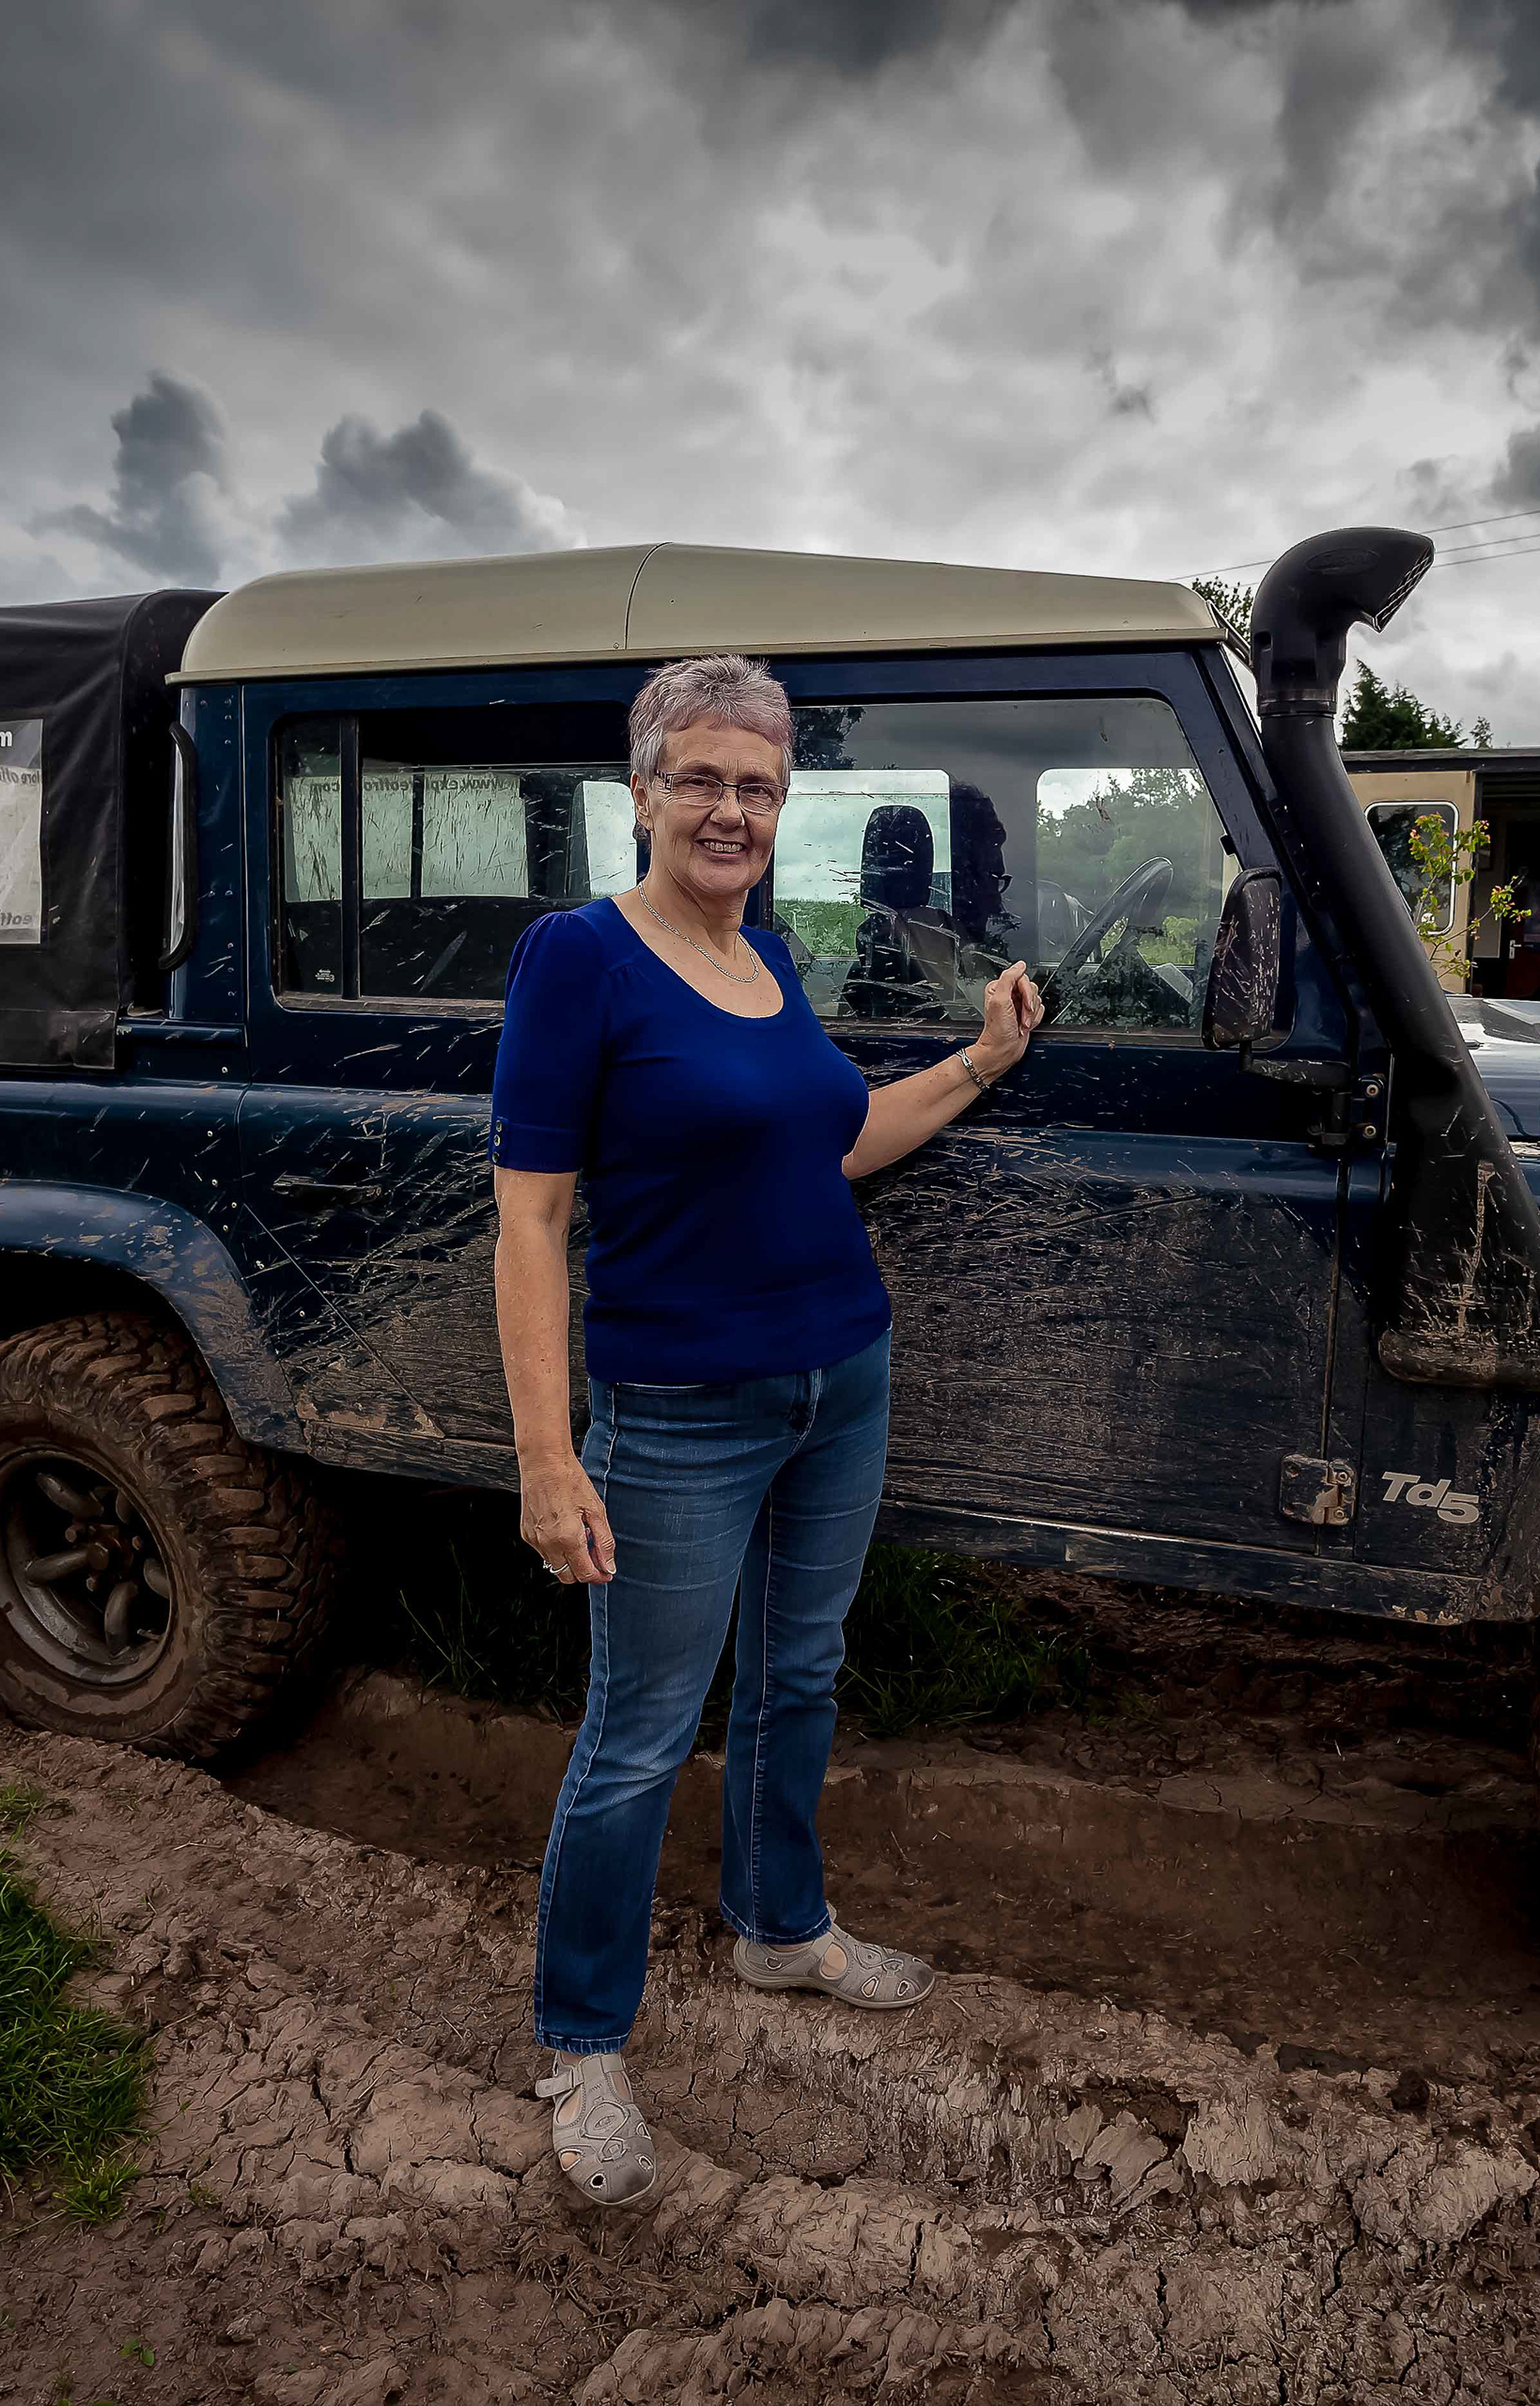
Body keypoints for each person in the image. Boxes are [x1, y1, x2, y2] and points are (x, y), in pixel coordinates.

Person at [490, 653, 1042, 2208]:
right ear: (645, 792)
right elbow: (530, 1227)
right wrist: (548, 1453)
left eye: (758, 785)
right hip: (677, 1410)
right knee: (639, 1732)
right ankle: (583, 2041)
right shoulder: (579, 961)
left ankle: (781, 1930)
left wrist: (980, 1064)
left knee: (802, 1669)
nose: (731, 808)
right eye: (702, 780)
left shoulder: (769, 959)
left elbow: (839, 1139)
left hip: (839, 1379)